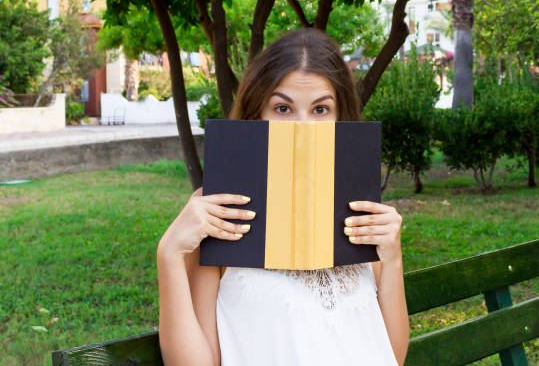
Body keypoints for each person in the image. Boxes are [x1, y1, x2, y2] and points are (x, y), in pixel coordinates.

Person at [156, 28, 409, 366]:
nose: (302, 127)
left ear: (340, 117)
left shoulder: (359, 214)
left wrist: (392, 259)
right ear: (256, 113)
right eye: (283, 108)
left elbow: (391, 355)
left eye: (320, 110)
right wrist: (169, 254)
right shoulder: (220, 212)